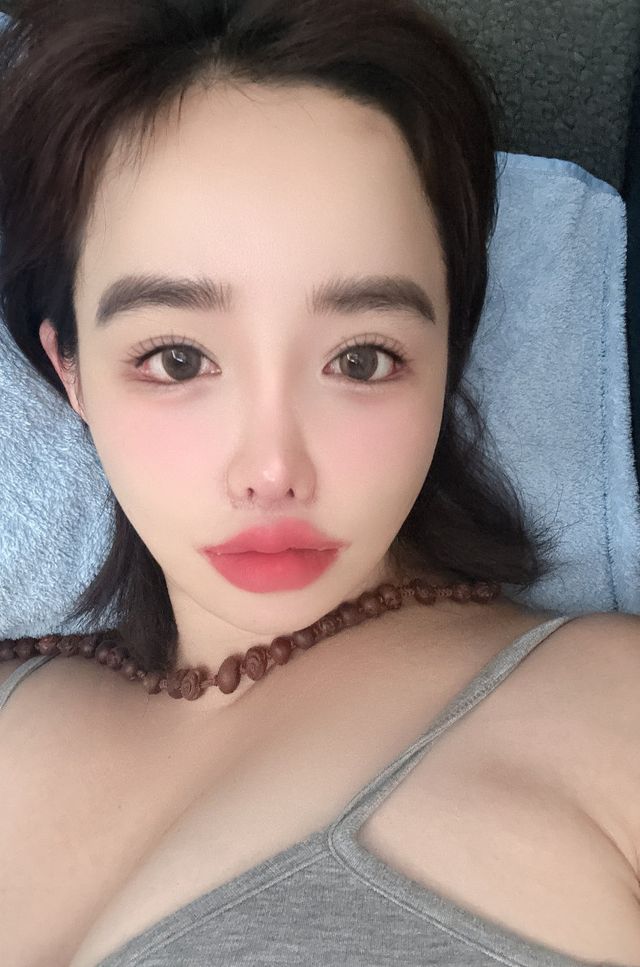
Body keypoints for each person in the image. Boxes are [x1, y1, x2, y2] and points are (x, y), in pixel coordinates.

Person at [1, 1, 639, 966]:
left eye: (362, 358)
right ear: (71, 370)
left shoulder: (612, 717)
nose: (272, 469)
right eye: (178, 359)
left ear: (447, 358)